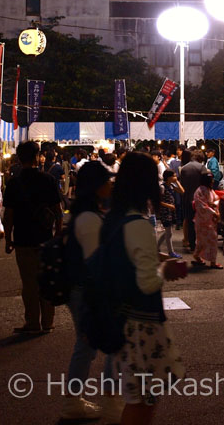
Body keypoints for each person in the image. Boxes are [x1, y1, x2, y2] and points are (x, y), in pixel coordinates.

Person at [100, 152, 186, 423]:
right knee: (143, 403)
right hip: (141, 326)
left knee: (137, 398)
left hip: (119, 317)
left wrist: (154, 257)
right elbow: (147, 282)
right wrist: (165, 268)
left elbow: (123, 259)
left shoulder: (114, 218)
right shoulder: (137, 223)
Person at [62, 161, 121, 421]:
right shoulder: (88, 218)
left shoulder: (89, 213)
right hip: (89, 290)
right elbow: (96, 261)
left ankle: (76, 403)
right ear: (96, 186)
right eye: (107, 181)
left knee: (88, 345)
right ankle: (110, 403)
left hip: (85, 288)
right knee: (108, 344)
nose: (111, 184)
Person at [3, 141, 63, 334]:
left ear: (19, 158)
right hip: (45, 238)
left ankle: (32, 323)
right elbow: (58, 211)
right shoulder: (48, 180)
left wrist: (8, 239)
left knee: (29, 284)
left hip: (23, 238)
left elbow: (9, 214)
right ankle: (48, 322)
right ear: (38, 157)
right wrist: (58, 235)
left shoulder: (14, 182)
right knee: (46, 280)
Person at [192, 172, 222, 269]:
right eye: (211, 179)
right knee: (211, 239)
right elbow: (201, 206)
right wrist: (214, 212)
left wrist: (213, 206)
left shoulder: (209, 190)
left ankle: (197, 256)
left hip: (208, 219)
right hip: (203, 220)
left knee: (202, 240)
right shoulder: (200, 191)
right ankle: (212, 262)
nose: (213, 181)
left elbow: (216, 199)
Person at [179, 151, 207, 253]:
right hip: (199, 199)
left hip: (186, 198)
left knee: (190, 221)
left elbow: (182, 184)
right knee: (201, 222)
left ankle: (192, 244)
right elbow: (206, 185)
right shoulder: (202, 168)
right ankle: (200, 244)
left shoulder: (184, 168)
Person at [158, 170, 183, 259]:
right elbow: (158, 201)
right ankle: (171, 252)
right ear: (168, 177)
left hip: (170, 211)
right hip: (165, 212)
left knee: (167, 232)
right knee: (169, 233)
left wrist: (176, 182)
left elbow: (182, 191)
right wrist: (168, 205)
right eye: (174, 176)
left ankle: (157, 247)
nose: (175, 177)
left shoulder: (171, 186)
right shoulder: (162, 187)